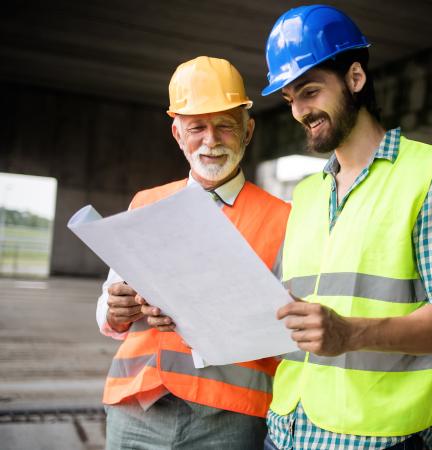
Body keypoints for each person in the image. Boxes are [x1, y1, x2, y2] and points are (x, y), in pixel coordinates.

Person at [259, 5, 432, 450]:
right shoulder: (307, 194)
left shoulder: (430, 177)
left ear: (356, 78)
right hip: (287, 430)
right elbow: (282, 309)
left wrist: (351, 333)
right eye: (291, 100)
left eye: (310, 91)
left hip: (377, 438)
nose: (301, 111)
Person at [95, 56, 290, 449]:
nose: (211, 141)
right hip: (137, 408)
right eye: (197, 127)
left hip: (230, 418)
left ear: (248, 130)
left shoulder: (286, 219)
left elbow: (291, 329)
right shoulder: (146, 203)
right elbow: (108, 305)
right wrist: (115, 311)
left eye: (225, 127)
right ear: (177, 134)